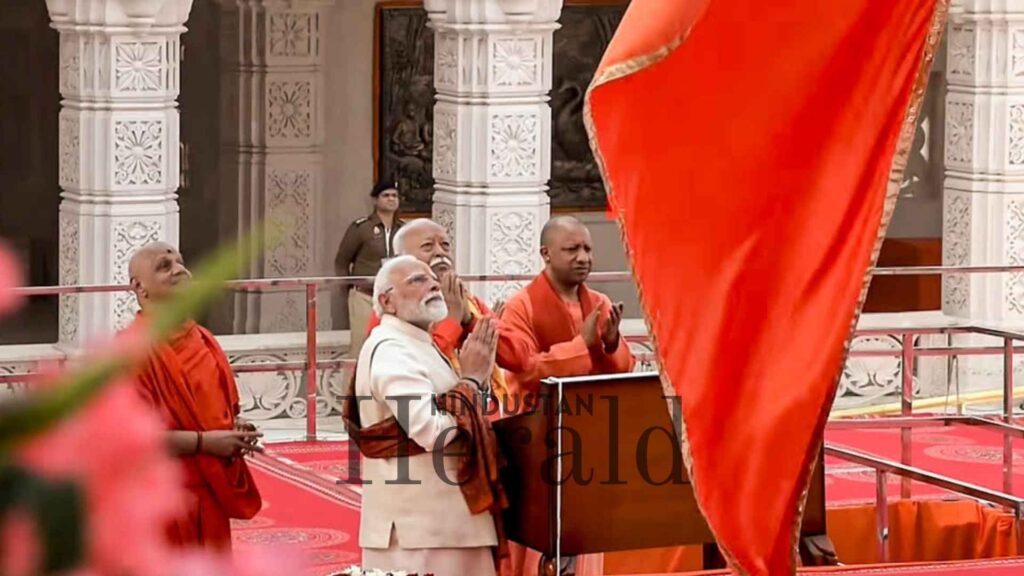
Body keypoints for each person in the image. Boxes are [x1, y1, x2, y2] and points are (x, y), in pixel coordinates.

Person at [343, 255, 506, 575]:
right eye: (417, 280)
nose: (433, 284)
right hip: (419, 532)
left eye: (433, 279)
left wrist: (480, 377)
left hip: (446, 526)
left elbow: (468, 412)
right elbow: (432, 431)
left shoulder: (419, 343)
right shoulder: (392, 349)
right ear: (386, 302)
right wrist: (471, 381)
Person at [498, 216, 635, 576]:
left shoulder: (600, 302)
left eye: (587, 249)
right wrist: (581, 346)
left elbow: (623, 369)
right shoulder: (521, 306)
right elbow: (525, 371)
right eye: (572, 249)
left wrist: (610, 345)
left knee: (587, 538)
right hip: (537, 439)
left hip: (590, 439)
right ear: (545, 253)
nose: (583, 257)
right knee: (539, 542)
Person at [126, 242, 263, 551]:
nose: (180, 270)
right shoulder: (130, 351)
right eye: (164, 266)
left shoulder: (203, 339)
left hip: (210, 491)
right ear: (139, 287)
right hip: (162, 496)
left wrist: (236, 428)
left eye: (181, 262)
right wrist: (205, 442)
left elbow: (220, 410)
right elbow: (135, 439)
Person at [365, 218, 520, 413]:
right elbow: (421, 365)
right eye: (427, 246)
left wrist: (470, 321)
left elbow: (518, 358)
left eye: (445, 245)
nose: (440, 252)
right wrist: (452, 321)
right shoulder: (391, 311)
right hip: (436, 417)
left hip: (488, 413)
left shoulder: (465, 300)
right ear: (400, 259)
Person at [335, 179, 405, 358]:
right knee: (361, 347)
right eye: (386, 195)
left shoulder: (403, 230)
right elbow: (342, 261)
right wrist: (347, 289)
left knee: (392, 347)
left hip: (394, 299)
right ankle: (354, 378)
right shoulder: (362, 228)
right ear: (375, 200)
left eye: (394, 196)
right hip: (364, 296)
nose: (391, 199)